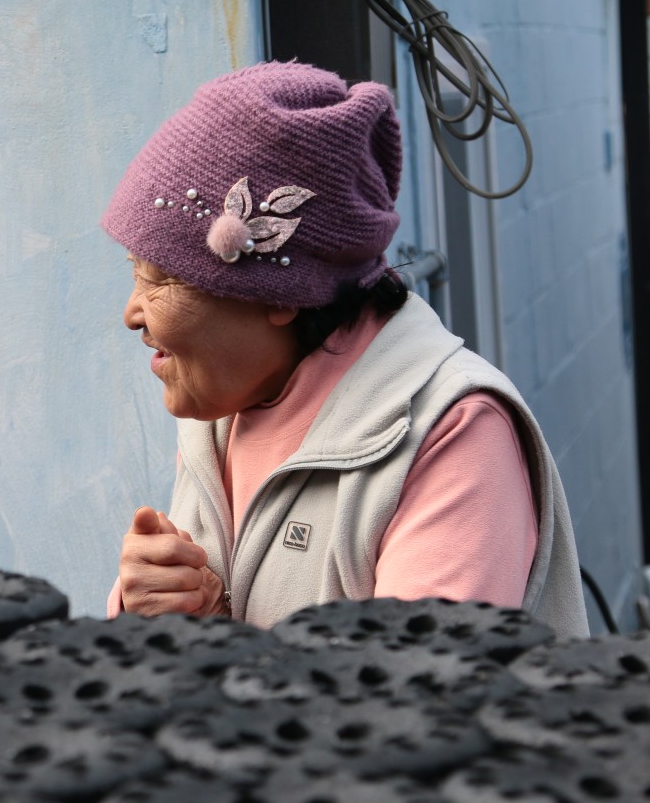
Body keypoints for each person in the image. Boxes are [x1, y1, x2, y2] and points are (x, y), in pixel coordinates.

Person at [100, 61, 588, 638]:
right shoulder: (223, 409)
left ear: (278, 295)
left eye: (163, 278)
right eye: (135, 271)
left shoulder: (451, 437)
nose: (132, 313)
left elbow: (412, 691)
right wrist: (160, 613)